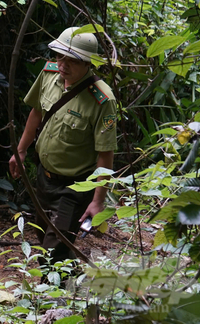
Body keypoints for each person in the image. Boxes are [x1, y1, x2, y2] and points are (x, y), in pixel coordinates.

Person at [8, 27, 118, 265]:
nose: (63, 65)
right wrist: (21, 151)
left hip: (75, 186)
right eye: (60, 57)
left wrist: (98, 200)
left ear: (89, 63)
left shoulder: (102, 99)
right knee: (45, 235)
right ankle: (71, 288)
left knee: (52, 251)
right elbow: (36, 113)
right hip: (44, 177)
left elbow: (105, 154)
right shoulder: (48, 75)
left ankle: (48, 299)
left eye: (73, 61)